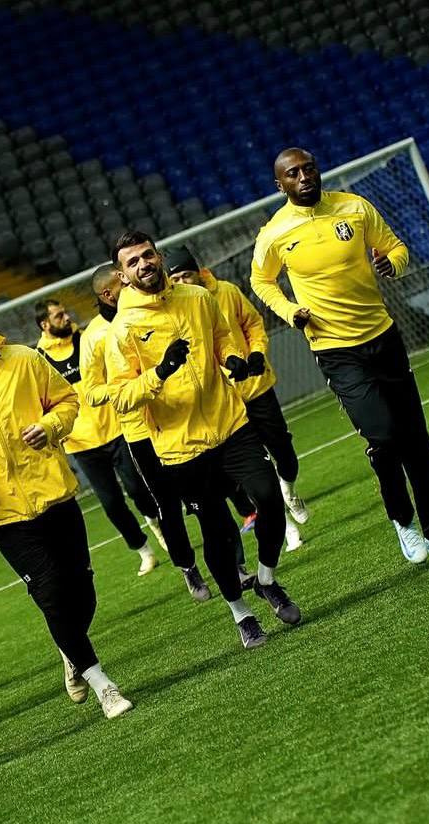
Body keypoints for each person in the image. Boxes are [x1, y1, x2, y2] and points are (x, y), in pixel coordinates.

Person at [0, 296, 133, 717]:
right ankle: (103, 684)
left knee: (82, 592)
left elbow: (67, 402)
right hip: (4, 514)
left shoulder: (24, 359)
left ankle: (70, 650)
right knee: (50, 594)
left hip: (55, 493)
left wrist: (50, 426)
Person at [251, 147, 429, 562]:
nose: (304, 177)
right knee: (383, 437)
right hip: (336, 350)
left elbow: (395, 247)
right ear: (280, 185)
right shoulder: (274, 233)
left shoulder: (355, 207)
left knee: (417, 441)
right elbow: (261, 281)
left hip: (383, 337)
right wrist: (290, 311)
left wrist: (393, 264)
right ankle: (403, 522)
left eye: (309, 168)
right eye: (293, 173)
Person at [107, 232, 303, 649]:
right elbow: (121, 396)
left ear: (159, 257)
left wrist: (233, 358)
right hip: (182, 448)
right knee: (217, 532)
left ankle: (267, 579)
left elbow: (222, 337)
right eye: (132, 262)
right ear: (122, 276)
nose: (144, 264)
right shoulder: (123, 329)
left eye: (147, 255)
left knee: (269, 497)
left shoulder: (197, 298)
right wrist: (160, 372)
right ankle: (241, 614)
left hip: (230, 423)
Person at [77, 265, 212, 603]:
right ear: (108, 294)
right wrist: (132, 388)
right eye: (121, 281)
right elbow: (91, 392)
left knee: (206, 495)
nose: (130, 281)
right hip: (140, 431)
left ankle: (232, 564)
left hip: (178, 417)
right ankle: (188, 567)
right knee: (166, 503)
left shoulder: (152, 311)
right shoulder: (94, 336)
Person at [165, 246, 307, 552]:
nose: (182, 282)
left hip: (255, 386)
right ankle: (288, 529)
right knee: (256, 471)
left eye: (186, 275)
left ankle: (289, 490)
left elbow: (252, 324)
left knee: (283, 451)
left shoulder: (226, 292)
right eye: (175, 279)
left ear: (198, 271)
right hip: (224, 404)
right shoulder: (175, 311)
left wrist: (256, 353)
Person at [35, 298, 161, 576]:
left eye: (65, 312)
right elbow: (41, 402)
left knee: (138, 488)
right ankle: (143, 550)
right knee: (111, 503)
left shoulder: (86, 340)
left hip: (117, 428)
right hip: (82, 444)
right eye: (58, 316)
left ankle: (156, 524)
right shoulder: (39, 360)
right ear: (45, 324)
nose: (66, 318)